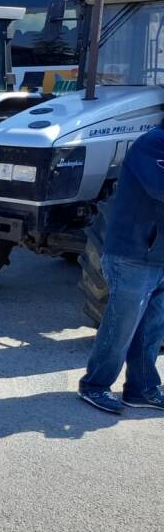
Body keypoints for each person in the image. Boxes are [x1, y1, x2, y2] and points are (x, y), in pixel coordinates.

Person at [78, 125, 164, 413]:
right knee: (121, 326)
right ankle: (95, 385)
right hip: (133, 254)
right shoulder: (153, 145)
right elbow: (159, 188)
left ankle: (142, 389)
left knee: (151, 328)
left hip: (159, 256)